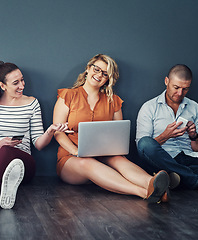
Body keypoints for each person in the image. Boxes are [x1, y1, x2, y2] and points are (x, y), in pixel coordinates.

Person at [53, 54, 170, 203]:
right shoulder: (68, 95)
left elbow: (117, 135)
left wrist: (112, 151)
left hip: (103, 156)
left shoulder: (113, 101)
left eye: (105, 73)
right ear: (88, 69)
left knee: (119, 159)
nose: (99, 75)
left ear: (108, 78)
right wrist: (76, 151)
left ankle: (153, 183)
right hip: (71, 160)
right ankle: (144, 192)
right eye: (96, 69)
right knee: (87, 162)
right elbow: (58, 133)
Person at [0, 61, 68, 209]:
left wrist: (50, 130)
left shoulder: (32, 103)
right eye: (16, 83)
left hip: (23, 163)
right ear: (3, 86)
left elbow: (38, 144)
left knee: (7, 152)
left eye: (22, 80)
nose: (22, 85)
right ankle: (0, 190)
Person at [136, 64, 198, 190]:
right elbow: (142, 149)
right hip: (163, 160)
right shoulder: (149, 107)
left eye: (185, 89)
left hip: (191, 158)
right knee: (145, 143)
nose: (180, 93)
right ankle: (195, 179)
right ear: (166, 81)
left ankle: (179, 176)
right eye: (176, 87)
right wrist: (165, 136)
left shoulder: (195, 107)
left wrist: (193, 137)